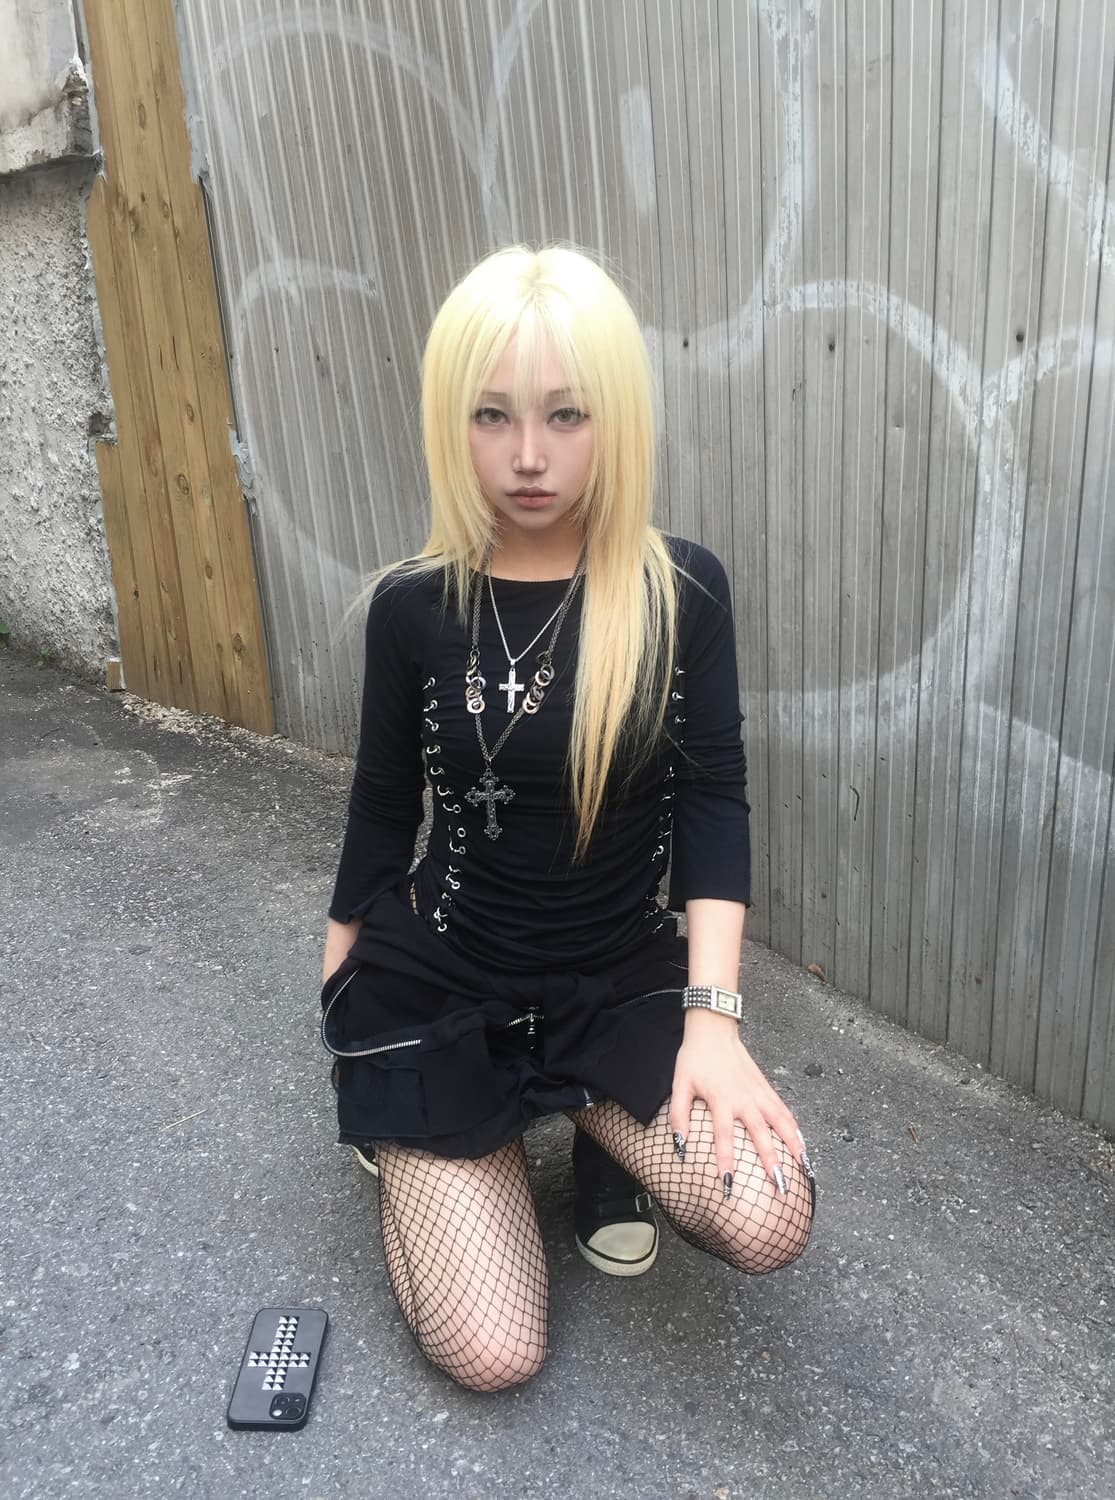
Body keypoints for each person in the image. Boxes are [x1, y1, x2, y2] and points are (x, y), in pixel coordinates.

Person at [320, 243, 815, 1392]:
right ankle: (442, 1131)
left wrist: (713, 1024)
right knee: (492, 1351)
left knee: (768, 1213)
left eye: (565, 414)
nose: (529, 456)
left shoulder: (678, 592)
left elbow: (712, 799)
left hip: (612, 982)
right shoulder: (411, 607)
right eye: (491, 415)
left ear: (615, 417)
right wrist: (342, 995)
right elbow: (383, 804)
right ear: (453, 422)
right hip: (447, 983)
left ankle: (601, 1134)